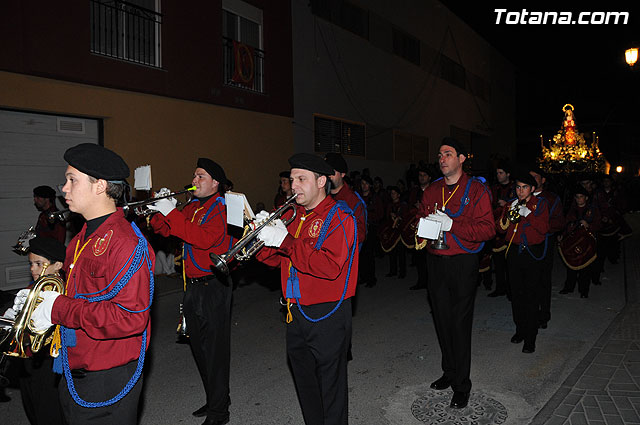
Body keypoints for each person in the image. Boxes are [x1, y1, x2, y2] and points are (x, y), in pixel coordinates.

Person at [16, 143, 154, 425]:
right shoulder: (81, 238)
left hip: (106, 377)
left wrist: (58, 309)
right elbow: (76, 295)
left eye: (71, 180)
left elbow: (129, 318)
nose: (63, 189)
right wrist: (36, 303)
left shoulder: (125, 243)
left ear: (100, 185)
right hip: (75, 366)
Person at [255, 153, 359, 425]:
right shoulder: (294, 215)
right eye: (292, 180)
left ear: (322, 181)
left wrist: (286, 241)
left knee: (331, 388)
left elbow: (329, 266)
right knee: (305, 382)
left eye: (302, 179)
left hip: (327, 314)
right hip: (294, 311)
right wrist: (260, 239)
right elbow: (278, 260)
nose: (294, 186)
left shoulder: (340, 217)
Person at [148, 158, 234, 425]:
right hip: (193, 285)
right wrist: (160, 210)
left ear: (215, 182)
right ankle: (216, 398)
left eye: (200, 177)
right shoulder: (194, 206)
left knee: (215, 351)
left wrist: (171, 213)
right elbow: (163, 230)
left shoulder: (224, 207)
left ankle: (219, 412)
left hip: (214, 284)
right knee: (198, 347)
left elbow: (205, 239)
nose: (194, 181)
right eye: (194, 176)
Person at [416, 137, 494, 409]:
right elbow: (422, 220)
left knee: (459, 325)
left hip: (462, 262)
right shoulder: (432, 190)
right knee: (442, 320)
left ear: (462, 159)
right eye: (439, 155)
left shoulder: (476, 190)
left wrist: (452, 224)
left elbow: (487, 230)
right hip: (436, 262)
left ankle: (462, 384)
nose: (442, 159)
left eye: (448, 154)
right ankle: (449, 372)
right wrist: (423, 228)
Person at [3, 237, 67, 425]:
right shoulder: (32, 287)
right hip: (28, 359)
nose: (33, 269)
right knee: (31, 405)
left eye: (39, 264)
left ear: (57, 265)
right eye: (31, 263)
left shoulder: (63, 292)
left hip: (48, 361)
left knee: (48, 408)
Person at [497, 172, 549, 353]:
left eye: (524, 187)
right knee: (516, 294)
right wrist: (506, 213)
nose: (520, 191)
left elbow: (544, 229)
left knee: (531, 295)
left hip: (531, 253)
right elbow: (502, 228)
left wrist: (528, 214)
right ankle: (520, 329)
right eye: (518, 187)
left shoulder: (540, 205)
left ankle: (530, 336)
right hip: (514, 252)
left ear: (532, 189)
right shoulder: (512, 203)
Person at [529, 167, 564, 329]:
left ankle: (543, 314)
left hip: (544, 243)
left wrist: (541, 227)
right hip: (525, 244)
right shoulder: (522, 196)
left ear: (543, 180)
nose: (532, 179)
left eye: (535, 177)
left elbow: (558, 222)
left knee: (542, 280)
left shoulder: (551, 198)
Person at [559, 185, 601, 298]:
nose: (579, 199)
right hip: (573, 242)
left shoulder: (592, 209)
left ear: (586, 198)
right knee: (570, 266)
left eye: (581, 197)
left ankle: (584, 290)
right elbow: (566, 223)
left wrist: (589, 226)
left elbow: (598, 224)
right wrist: (563, 234)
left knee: (585, 268)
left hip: (587, 243)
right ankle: (569, 287)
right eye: (577, 197)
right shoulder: (572, 210)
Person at [324, 153, 367, 249]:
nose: (328, 176)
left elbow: (361, 235)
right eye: (326, 172)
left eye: (333, 172)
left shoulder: (353, 201)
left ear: (342, 174)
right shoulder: (321, 196)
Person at [487, 163, 515, 297]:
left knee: (510, 262)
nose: (498, 176)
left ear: (508, 174)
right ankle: (500, 287)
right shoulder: (494, 188)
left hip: (510, 230)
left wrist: (507, 204)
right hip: (496, 228)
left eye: (501, 173)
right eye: (497, 173)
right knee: (497, 261)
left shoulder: (515, 187)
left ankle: (511, 289)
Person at [407, 164, 433, 290]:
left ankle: (431, 282)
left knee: (431, 256)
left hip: (430, 225)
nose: (421, 178)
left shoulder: (433, 190)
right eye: (420, 175)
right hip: (417, 225)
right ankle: (421, 281)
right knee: (419, 256)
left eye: (424, 176)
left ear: (429, 177)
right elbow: (409, 208)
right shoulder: (414, 192)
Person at [357, 175, 383, 288]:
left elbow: (380, 214)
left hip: (371, 229)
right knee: (361, 255)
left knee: (369, 255)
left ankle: (371, 278)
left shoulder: (375, 198)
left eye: (366, 184)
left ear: (370, 185)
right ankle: (363, 276)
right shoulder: (358, 198)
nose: (364, 186)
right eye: (362, 184)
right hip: (361, 228)